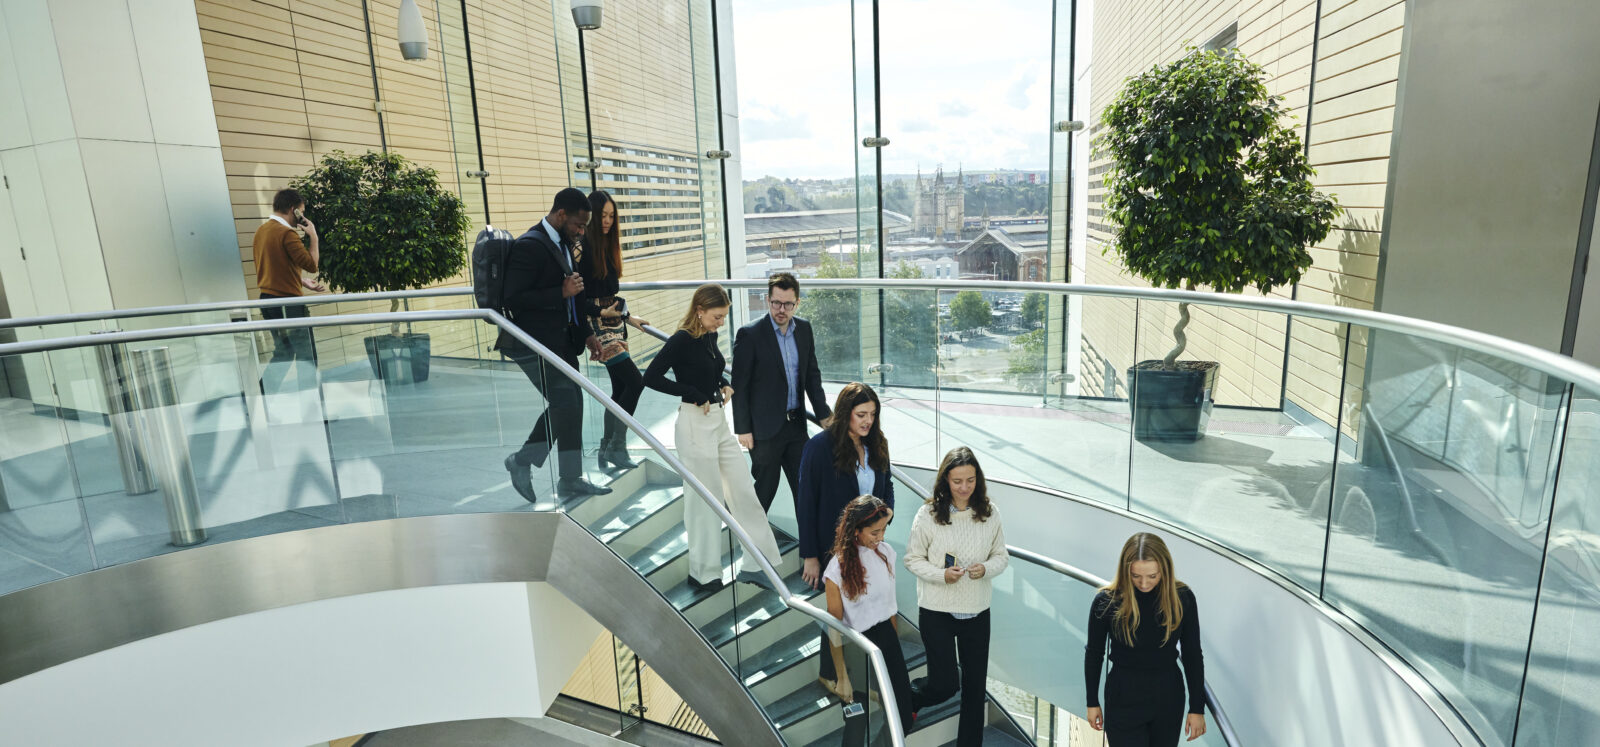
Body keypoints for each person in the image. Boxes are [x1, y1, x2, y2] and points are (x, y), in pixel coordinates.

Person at [643, 283, 783, 592]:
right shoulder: (681, 340)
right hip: (693, 425)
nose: (721, 323)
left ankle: (760, 563)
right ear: (700, 310)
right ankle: (703, 573)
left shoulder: (710, 335)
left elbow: (709, 367)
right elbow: (650, 377)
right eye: (717, 317)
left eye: (723, 317)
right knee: (704, 501)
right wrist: (691, 393)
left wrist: (723, 382)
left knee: (743, 490)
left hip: (718, 421)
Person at [499, 187, 612, 502]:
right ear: (561, 214)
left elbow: (573, 298)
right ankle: (521, 461)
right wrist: (559, 293)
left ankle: (570, 480)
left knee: (572, 403)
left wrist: (588, 334)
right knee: (565, 403)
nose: (581, 231)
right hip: (532, 343)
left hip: (559, 341)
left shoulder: (562, 243)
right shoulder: (529, 246)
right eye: (578, 224)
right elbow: (513, 298)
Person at [903, 447, 1008, 746]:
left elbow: (1002, 556)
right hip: (937, 611)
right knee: (945, 683)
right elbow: (912, 559)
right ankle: (910, 696)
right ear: (945, 481)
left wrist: (985, 569)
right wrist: (941, 574)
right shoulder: (928, 515)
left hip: (977, 611)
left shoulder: (990, 513)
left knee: (975, 691)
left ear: (979, 480)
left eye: (970, 480)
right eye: (957, 481)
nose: (964, 487)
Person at [798, 381, 894, 694]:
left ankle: (861, 672)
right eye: (861, 414)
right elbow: (806, 501)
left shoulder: (877, 443)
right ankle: (832, 674)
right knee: (838, 611)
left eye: (872, 414)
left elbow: (886, 488)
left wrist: (882, 523)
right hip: (833, 544)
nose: (868, 421)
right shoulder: (819, 447)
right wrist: (810, 555)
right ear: (846, 413)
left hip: (867, 543)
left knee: (866, 604)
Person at [1085, 532, 1207, 746]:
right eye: (1135, 576)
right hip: (1123, 698)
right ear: (1125, 571)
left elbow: (1192, 654)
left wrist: (1197, 707)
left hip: (1168, 697)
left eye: (1152, 576)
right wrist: (1092, 702)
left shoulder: (1182, 598)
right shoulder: (1106, 602)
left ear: (1165, 570)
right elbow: (1094, 654)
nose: (1143, 584)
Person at [732, 272, 831, 512]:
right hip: (764, 432)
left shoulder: (804, 330)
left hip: (796, 427)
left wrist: (824, 414)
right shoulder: (750, 335)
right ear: (767, 300)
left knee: (806, 492)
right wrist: (742, 428)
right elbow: (740, 385)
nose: (781, 309)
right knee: (765, 491)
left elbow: (812, 377)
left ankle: (809, 550)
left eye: (788, 304)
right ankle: (751, 545)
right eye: (776, 302)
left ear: (797, 303)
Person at [822, 495, 915, 733]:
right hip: (856, 644)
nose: (881, 537)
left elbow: (889, 607)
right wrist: (842, 676)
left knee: (903, 716)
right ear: (856, 530)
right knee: (856, 724)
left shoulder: (886, 553)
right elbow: (834, 627)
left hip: (886, 636)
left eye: (883, 529)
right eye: (874, 532)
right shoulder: (837, 569)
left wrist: (893, 648)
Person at [578, 190, 650, 471]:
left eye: (611, 216)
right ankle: (616, 447)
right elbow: (576, 299)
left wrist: (629, 317)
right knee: (635, 382)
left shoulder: (608, 246)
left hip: (616, 323)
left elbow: (611, 295)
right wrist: (599, 314)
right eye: (602, 215)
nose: (607, 221)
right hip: (598, 326)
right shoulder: (581, 248)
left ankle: (608, 448)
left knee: (620, 387)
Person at [252, 188, 326, 393]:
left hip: (268, 300)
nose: (302, 217)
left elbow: (271, 266)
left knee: (284, 353)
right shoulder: (287, 234)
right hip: (288, 304)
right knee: (305, 356)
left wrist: (299, 280)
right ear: (293, 210)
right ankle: (314, 411)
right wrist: (314, 237)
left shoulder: (262, 231)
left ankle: (262, 399)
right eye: (301, 212)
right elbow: (312, 264)